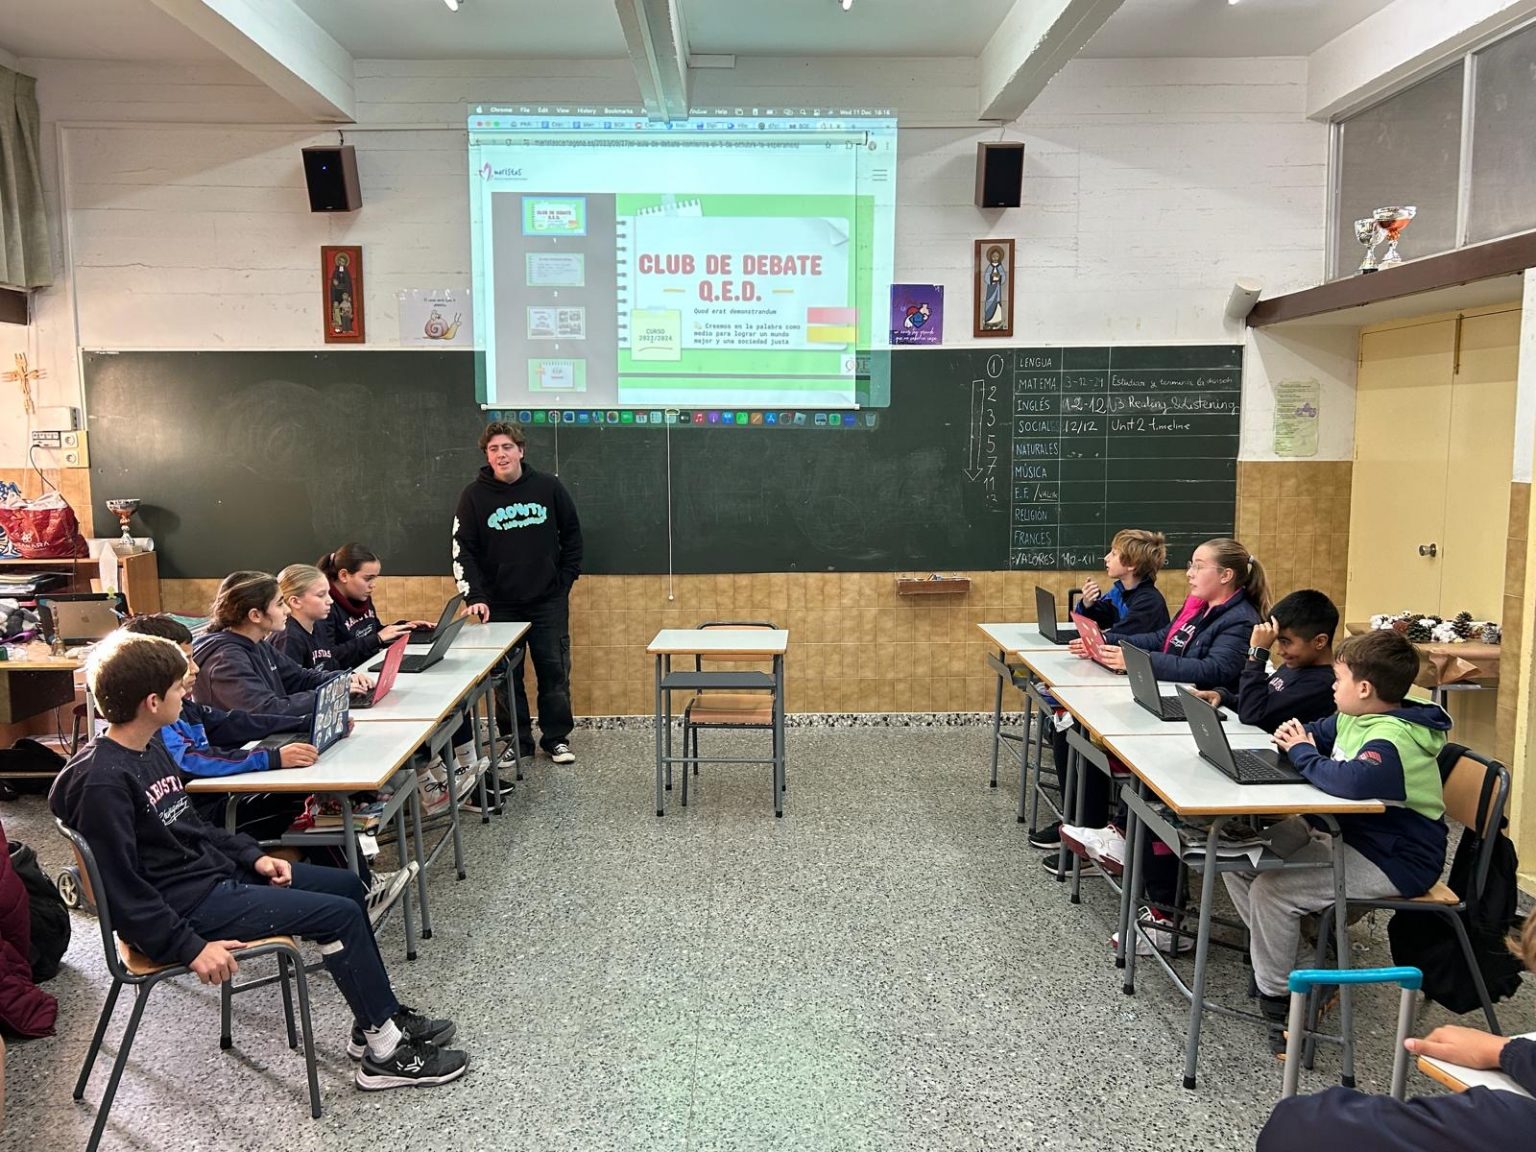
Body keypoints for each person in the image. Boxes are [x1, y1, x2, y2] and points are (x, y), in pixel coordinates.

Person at [48, 631, 468, 1089]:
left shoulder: (148, 749)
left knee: (348, 886)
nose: (187, 692)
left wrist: (253, 858)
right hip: (182, 908)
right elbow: (121, 890)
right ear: (152, 702)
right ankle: (385, 1056)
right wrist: (189, 947)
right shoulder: (102, 783)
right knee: (340, 915)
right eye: (177, 688)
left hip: (205, 880)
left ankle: (374, 1021)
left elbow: (194, 828)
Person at [1227, 628, 1450, 1054]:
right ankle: (1306, 969)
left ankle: (1281, 999)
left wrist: (1302, 752)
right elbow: (1316, 732)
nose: (1332, 685)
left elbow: (1350, 782)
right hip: (1346, 832)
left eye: (1339, 678)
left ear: (1364, 689)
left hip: (1396, 857)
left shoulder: (1394, 738)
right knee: (1240, 857)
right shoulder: (1355, 714)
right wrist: (1299, 738)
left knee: (1272, 891)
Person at [1257, 908, 1536, 1149]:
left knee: (1272, 893)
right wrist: (1511, 1052)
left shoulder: (1508, 1127)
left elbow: (1297, 1130)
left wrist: (1511, 1053)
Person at [1030, 529, 1171, 851]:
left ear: (1131, 564)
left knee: (1072, 728)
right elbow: (1101, 621)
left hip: (1131, 691)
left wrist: (1100, 639)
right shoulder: (1121, 590)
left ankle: (1085, 822)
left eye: (1113, 553)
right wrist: (1088, 604)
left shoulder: (1148, 601)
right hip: (1113, 679)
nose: (1106, 558)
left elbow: (1122, 637)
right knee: (1064, 725)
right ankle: (1076, 818)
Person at [453, 420, 583, 765]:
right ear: (487, 455)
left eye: (507, 447)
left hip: (547, 601)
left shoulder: (548, 487)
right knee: (505, 680)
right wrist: (474, 596)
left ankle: (556, 739)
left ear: (521, 451)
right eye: (493, 449)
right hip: (499, 605)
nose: (501, 454)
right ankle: (517, 741)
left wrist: (564, 582)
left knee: (555, 673)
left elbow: (572, 535)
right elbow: (463, 550)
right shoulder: (473, 496)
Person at [193, 571, 369, 717]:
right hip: (245, 745)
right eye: (279, 604)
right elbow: (264, 710)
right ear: (255, 615)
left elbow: (299, 677)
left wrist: (343, 679)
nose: (287, 610)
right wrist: (328, 694)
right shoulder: (226, 659)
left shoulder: (257, 643)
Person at [1190, 588, 1339, 733]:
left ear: (1319, 641)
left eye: (1285, 642)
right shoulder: (1295, 666)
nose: (1279, 651)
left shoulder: (1321, 685)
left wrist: (1257, 655)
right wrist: (1223, 697)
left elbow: (1252, 714)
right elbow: (1259, 698)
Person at [317, 545, 429, 670]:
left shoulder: (362, 596)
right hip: (351, 675)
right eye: (367, 579)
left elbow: (374, 631)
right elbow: (328, 657)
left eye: (374, 578)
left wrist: (404, 627)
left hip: (370, 665)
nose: (373, 585)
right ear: (344, 575)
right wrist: (377, 639)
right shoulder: (323, 608)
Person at [273, 563, 341, 672]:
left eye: (328, 593)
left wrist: (350, 676)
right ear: (295, 602)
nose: (330, 601)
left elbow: (332, 666)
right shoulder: (288, 638)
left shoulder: (318, 624)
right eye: (321, 595)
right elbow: (292, 680)